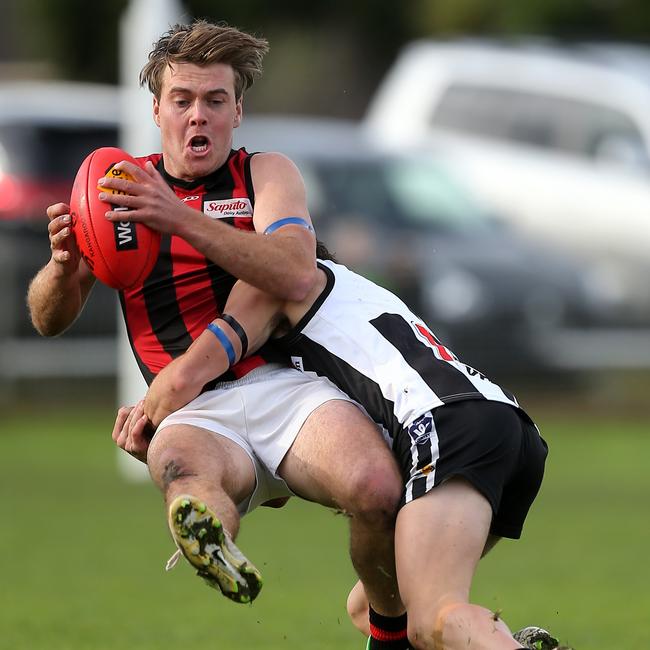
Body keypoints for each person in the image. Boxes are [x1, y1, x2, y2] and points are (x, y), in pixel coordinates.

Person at [26, 18, 406, 628]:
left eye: (214, 100)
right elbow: (49, 319)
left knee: (377, 490)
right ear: (157, 109)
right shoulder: (119, 191)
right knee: (188, 476)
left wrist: (176, 216)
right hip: (190, 409)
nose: (197, 115)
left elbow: (293, 271)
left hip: (288, 387)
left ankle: (391, 631)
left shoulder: (266, 174)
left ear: (238, 111)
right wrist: (62, 267)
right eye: (182, 100)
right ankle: (212, 542)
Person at [122, 250, 572, 650]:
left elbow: (184, 379)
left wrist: (150, 424)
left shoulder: (277, 285)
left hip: (448, 428)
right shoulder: (350, 288)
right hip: (508, 424)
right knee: (373, 608)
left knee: (433, 619)